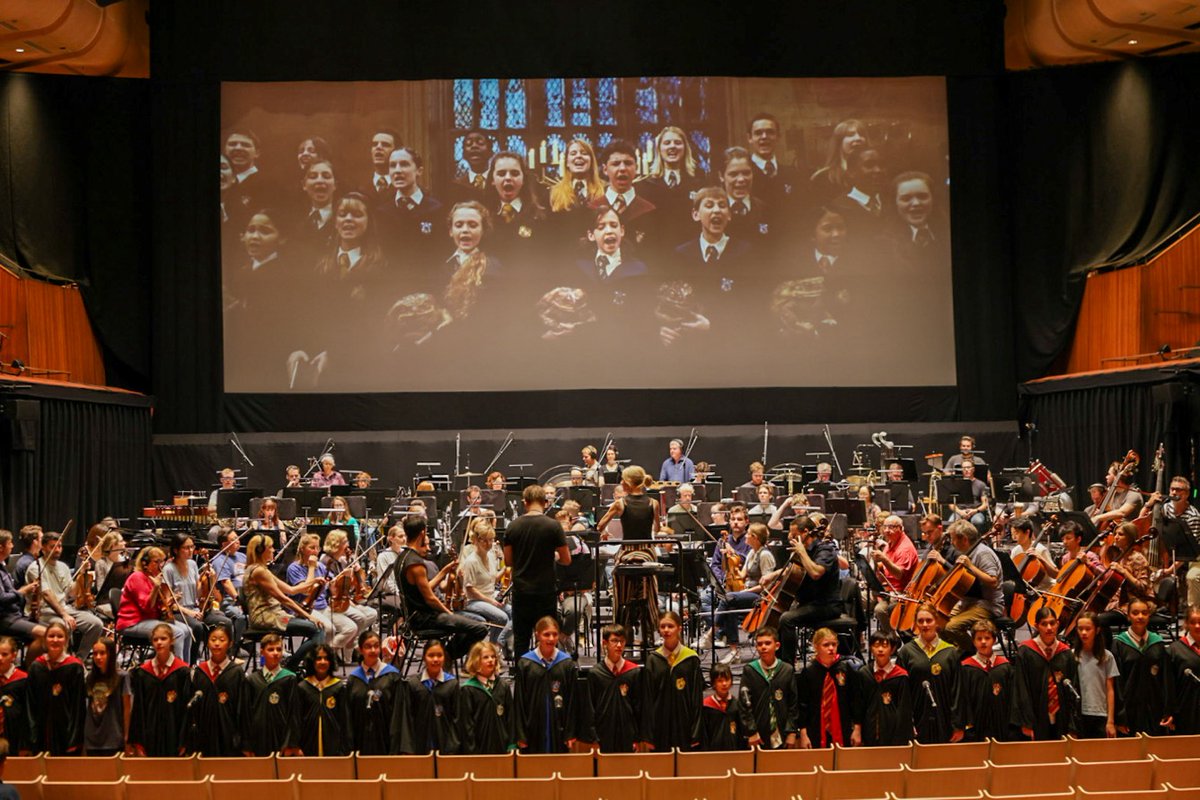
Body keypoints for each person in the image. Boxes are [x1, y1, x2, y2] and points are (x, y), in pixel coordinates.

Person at [398, 516, 488, 661]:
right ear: (422, 533)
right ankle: (445, 659)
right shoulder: (416, 564)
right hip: (425, 618)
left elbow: (425, 588)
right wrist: (449, 613)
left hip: (414, 616)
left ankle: (443, 657)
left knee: (467, 625)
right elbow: (430, 598)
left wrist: (444, 571)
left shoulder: (402, 557)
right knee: (480, 628)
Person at [242, 534, 327, 671]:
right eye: (270, 547)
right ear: (261, 551)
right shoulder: (258, 572)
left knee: (317, 628)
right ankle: (291, 666)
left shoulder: (262, 569)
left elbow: (292, 590)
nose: (273, 550)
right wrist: (308, 616)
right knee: (318, 629)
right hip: (266, 617)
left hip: (275, 614)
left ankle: (297, 665)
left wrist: (314, 581)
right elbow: (284, 598)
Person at [503, 485, 570, 656]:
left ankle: (522, 680)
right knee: (548, 637)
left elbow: (508, 561)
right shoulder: (553, 526)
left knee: (521, 639)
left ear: (525, 503)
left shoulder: (513, 526)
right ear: (545, 503)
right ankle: (547, 677)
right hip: (545, 591)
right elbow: (566, 559)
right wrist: (552, 555)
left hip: (522, 591)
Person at [598, 466, 661, 646]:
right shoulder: (653, 503)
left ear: (627, 483)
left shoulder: (620, 503)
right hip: (648, 551)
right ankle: (649, 628)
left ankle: (623, 625)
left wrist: (603, 533)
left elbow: (600, 526)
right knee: (649, 586)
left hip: (627, 550)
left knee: (620, 588)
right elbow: (656, 529)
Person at [163, 532, 237, 662]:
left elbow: (197, 593)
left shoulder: (192, 564)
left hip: (195, 609)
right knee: (197, 626)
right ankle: (192, 663)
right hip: (179, 612)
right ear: (176, 550)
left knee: (226, 622)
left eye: (192, 547)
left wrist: (209, 578)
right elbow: (167, 602)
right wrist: (189, 612)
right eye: (186, 548)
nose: (190, 550)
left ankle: (225, 659)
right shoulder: (168, 569)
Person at [897, 604, 963, 743]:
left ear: (936, 622)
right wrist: (907, 723)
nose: (925, 625)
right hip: (918, 717)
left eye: (929, 620)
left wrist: (957, 725)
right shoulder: (906, 652)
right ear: (915, 624)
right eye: (920, 621)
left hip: (944, 719)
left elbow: (957, 691)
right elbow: (902, 693)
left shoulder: (950, 652)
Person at [513, 616, 580, 753]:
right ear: (537, 635)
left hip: (559, 726)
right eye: (546, 634)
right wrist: (520, 734)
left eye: (554, 634)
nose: (551, 639)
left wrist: (570, 732)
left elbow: (573, 701)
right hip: (533, 727)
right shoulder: (526, 664)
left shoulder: (566, 664)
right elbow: (519, 701)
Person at [116, 546, 193, 663]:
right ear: (145, 563)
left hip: (149, 619)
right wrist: (156, 587)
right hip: (133, 622)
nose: (160, 565)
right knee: (177, 633)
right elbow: (146, 607)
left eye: (162, 561)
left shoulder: (152, 577)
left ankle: (186, 666)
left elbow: (158, 606)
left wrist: (170, 601)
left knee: (187, 630)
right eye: (156, 562)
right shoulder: (137, 577)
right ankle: (177, 670)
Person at [641, 611, 703, 752]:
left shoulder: (691, 659)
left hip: (684, 723)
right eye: (663, 627)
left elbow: (696, 698)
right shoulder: (653, 659)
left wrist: (696, 732)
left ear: (679, 628)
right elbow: (648, 699)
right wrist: (648, 735)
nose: (666, 630)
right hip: (660, 725)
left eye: (670, 626)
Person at [127, 622, 192, 756]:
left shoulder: (182, 672)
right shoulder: (143, 673)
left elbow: (186, 711)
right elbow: (139, 709)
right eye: (155, 639)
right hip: (149, 735)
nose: (159, 642)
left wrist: (184, 741)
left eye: (163, 638)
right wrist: (138, 742)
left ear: (172, 640)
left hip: (173, 736)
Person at [1111, 597, 1171, 735]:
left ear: (1149, 615)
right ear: (1128, 616)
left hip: (1155, 708)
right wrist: (1120, 716)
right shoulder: (1119, 644)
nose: (1140, 617)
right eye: (1135, 613)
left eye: (1144, 613)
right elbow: (1117, 684)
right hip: (1129, 710)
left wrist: (1168, 710)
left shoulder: (1158, 643)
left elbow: (1166, 680)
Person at [795, 627, 863, 749]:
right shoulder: (809, 673)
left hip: (844, 728)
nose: (831, 648)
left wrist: (857, 728)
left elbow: (856, 701)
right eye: (826, 645)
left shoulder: (846, 669)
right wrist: (803, 734)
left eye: (834, 644)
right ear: (816, 647)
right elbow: (803, 705)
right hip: (816, 730)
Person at [941, 520, 1004, 651]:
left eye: (953, 539)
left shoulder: (983, 553)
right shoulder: (968, 551)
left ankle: (970, 653)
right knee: (939, 622)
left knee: (952, 627)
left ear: (963, 539)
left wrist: (970, 566)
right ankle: (956, 653)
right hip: (969, 601)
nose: (951, 543)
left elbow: (993, 581)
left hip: (987, 604)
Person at [715, 523, 776, 658]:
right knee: (729, 602)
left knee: (730, 597)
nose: (746, 536)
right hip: (748, 592)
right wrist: (731, 556)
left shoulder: (765, 555)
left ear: (754, 537)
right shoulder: (752, 553)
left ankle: (714, 631)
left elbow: (767, 586)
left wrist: (744, 592)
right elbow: (742, 575)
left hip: (760, 596)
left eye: (748, 534)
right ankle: (734, 651)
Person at [588, 140, 658, 255]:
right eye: (615, 164)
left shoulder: (649, 211)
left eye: (628, 163)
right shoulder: (592, 209)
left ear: (636, 167)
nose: (622, 168)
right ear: (605, 169)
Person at [378, 146, 444, 269]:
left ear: (419, 171)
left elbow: (441, 256)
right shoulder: (383, 212)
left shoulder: (436, 210)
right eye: (393, 165)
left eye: (404, 164)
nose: (397, 170)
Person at [27, 621, 86, 755]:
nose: (55, 640)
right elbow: (30, 704)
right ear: (45, 639)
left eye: (60, 636)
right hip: (41, 733)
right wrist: (32, 735)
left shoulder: (74, 667)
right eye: (51, 636)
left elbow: (78, 707)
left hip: (66, 733)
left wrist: (74, 739)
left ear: (66, 640)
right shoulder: (37, 667)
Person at [394, 639, 460, 754]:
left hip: (446, 747)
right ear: (424, 657)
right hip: (419, 745)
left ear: (444, 657)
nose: (435, 659)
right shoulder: (413, 684)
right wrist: (408, 749)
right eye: (431, 655)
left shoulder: (452, 684)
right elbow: (407, 719)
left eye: (439, 655)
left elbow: (457, 719)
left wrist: (454, 747)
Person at [187, 622, 244, 756]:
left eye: (222, 640)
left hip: (228, 734)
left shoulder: (236, 673)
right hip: (203, 734)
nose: (217, 643)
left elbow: (242, 708)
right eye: (213, 639)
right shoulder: (200, 672)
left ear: (230, 643)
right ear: (207, 643)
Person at [583, 624, 643, 753]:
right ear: (605, 643)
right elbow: (589, 708)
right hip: (603, 735)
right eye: (614, 641)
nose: (619, 645)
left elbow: (638, 707)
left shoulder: (633, 672)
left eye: (622, 641)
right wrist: (593, 739)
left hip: (627, 735)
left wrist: (637, 738)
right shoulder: (596, 673)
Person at [736, 626, 796, 749]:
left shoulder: (787, 670)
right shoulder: (750, 670)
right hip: (758, 733)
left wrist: (791, 731)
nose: (763, 647)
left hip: (782, 732)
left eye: (768, 643)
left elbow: (793, 704)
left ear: (777, 646)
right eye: (759, 644)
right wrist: (751, 731)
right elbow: (744, 704)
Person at [459, 520, 512, 656]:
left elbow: (493, 578)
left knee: (516, 613)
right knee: (501, 617)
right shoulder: (471, 561)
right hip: (474, 601)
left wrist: (508, 568)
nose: (489, 544)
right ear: (476, 540)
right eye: (485, 540)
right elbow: (470, 589)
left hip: (490, 596)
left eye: (491, 540)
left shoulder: (490, 555)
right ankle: (493, 651)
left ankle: (495, 645)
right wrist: (491, 602)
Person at [240, 632, 297, 756]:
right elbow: (246, 714)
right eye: (270, 649)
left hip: (282, 737)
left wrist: (290, 743)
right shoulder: (252, 680)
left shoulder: (290, 679)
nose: (275, 653)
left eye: (279, 649)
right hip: (258, 737)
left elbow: (293, 714)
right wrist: (247, 744)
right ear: (262, 651)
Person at [345, 630, 402, 755]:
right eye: (368, 647)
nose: (373, 650)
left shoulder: (392, 676)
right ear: (360, 650)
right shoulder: (353, 679)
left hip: (386, 737)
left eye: (376, 646)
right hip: (360, 740)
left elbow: (399, 712)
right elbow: (348, 715)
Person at [287, 643, 349, 756]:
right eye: (319, 658)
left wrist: (345, 747)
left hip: (334, 747)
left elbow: (345, 720)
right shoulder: (303, 687)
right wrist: (295, 745)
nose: (323, 662)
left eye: (326, 658)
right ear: (312, 661)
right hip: (307, 746)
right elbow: (295, 719)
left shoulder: (338, 687)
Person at [958, 619, 1015, 742]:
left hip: (1001, 724)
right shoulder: (966, 668)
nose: (983, 642)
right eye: (979, 638)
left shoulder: (1005, 667)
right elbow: (963, 700)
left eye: (987, 638)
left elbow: (1012, 698)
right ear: (973, 641)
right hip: (976, 726)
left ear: (994, 640)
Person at [457, 640, 516, 754]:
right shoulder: (468, 689)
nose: (490, 660)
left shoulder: (503, 686)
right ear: (476, 661)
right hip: (478, 748)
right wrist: (471, 750)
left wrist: (512, 744)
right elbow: (466, 725)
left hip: (501, 746)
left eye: (493, 657)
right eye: (485, 657)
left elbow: (510, 718)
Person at [859, 630, 912, 746]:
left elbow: (904, 710)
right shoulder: (864, 673)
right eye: (876, 645)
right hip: (869, 729)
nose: (880, 650)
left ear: (892, 649)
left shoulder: (901, 676)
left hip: (893, 732)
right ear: (871, 648)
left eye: (885, 646)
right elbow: (859, 704)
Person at [1096, 522, 1152, 630]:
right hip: (1117, 602)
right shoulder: (1121, 556)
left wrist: (1124, 572)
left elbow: (1143, 587)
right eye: (1115, 534)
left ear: (1130, 538)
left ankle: (1107, 647)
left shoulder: (1138, 559)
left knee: (1101, 621)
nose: (1116, 537)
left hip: (1133, 603)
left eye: (1120, 534)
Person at [1073, 611, 1119, 739]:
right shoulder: (1072, 656)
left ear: (1097, 630)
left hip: (1101, 715)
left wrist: (1110, 721)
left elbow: (1110, 690)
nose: (1083, 633)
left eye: (1088, 629)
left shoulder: (1107, 657)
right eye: (1080, 629)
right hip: (1080, 715)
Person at [871, 515, 920, 634]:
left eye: (892, 527)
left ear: (900, 528)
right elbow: (884, 567)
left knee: (880, 610)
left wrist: (884, 559)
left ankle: (893, 640)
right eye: (885, 527)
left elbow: (899, 574)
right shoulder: (890, 542)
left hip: (900, 591)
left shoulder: (905, 548)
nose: (887, 530)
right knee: (859, 596)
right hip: (886, 587)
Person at [0, 530, 46, 652]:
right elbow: (2, 599)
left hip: (15, 615)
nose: (12, 546)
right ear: (1, 547)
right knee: (47, 634)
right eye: (10, 543)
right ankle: (33, 668)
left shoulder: (2, 566)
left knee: (55, 631)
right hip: (5, 619)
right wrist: (23, 591)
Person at [83, 638, 129, 755]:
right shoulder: (90, 678)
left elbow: (127, 709)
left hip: (113, 739)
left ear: (111, 654)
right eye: (95, 654)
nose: (98, 657)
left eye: (102, 653)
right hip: (92, 740)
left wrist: (127, 737)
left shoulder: (122, 677)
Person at [808, 118, 867, 204]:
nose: (858, 138)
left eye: (861, 134)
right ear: (839, 142)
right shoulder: (822, 178)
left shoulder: (876, 174)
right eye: (850, 135)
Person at [1167, 605, 1200, 734]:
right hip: (1186, 709)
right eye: (1193, 622)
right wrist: (1170, 712)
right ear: (1186, 624)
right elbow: (1169, 685)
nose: (1197, 626)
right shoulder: (1175, 650)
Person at [700, 662, 745, 751]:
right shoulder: (707, 706)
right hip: (713, 753)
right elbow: (704, 735)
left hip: (733, 752)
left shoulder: (736, 705)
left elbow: (740, 733)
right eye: (720, 681)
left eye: (727, 680)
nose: (724, 684)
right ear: (713, 683)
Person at [0, 637, 31, 754]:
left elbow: (28, 715)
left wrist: (25, 745)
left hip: (15, 739)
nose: (0, 658)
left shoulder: (23, 680)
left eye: (4, 654)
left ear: (14, 655)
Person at [949, 458, 990, 531]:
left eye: (968, 467)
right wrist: (960, 512)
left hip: (975, 511)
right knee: (951, 521)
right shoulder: (956, 484)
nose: (966, 470)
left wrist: (975, 510)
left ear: (973, 469)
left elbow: (985, 504)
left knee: (977, 521)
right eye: (964, 468)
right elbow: (951, 504)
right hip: (960, 511)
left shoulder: (981, 484)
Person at [366, 129, 399, 195]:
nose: (378, 147)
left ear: (397, 151)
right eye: (375, 144)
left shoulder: (404, 188)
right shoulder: (359, 188)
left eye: (385, 145)